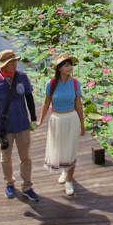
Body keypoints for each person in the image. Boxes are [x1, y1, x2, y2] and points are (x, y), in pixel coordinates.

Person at [0, 49, 39, 201]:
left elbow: (29, 97)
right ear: (3, 65)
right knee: (6, 157)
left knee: (26, 158)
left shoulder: (22, 77)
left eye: (15, 61)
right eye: (11, 63)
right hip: (4, 128)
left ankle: (27, 186)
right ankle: (9, 183)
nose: (14, 64)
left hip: (22, 124)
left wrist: (33, 118)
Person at [38, 52, 86, 196]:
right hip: (56, 119)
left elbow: (78, 103)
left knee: (70, 149)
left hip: (71, 118)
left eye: (70, 64)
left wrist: (82, 123)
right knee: (60, 147)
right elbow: (46, 103)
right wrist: (41, 120)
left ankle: (69, 180)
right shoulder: (51, 83)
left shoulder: (76, 83)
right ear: (59, 68)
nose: (69, 67)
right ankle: (64, 171)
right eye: (66, 65)